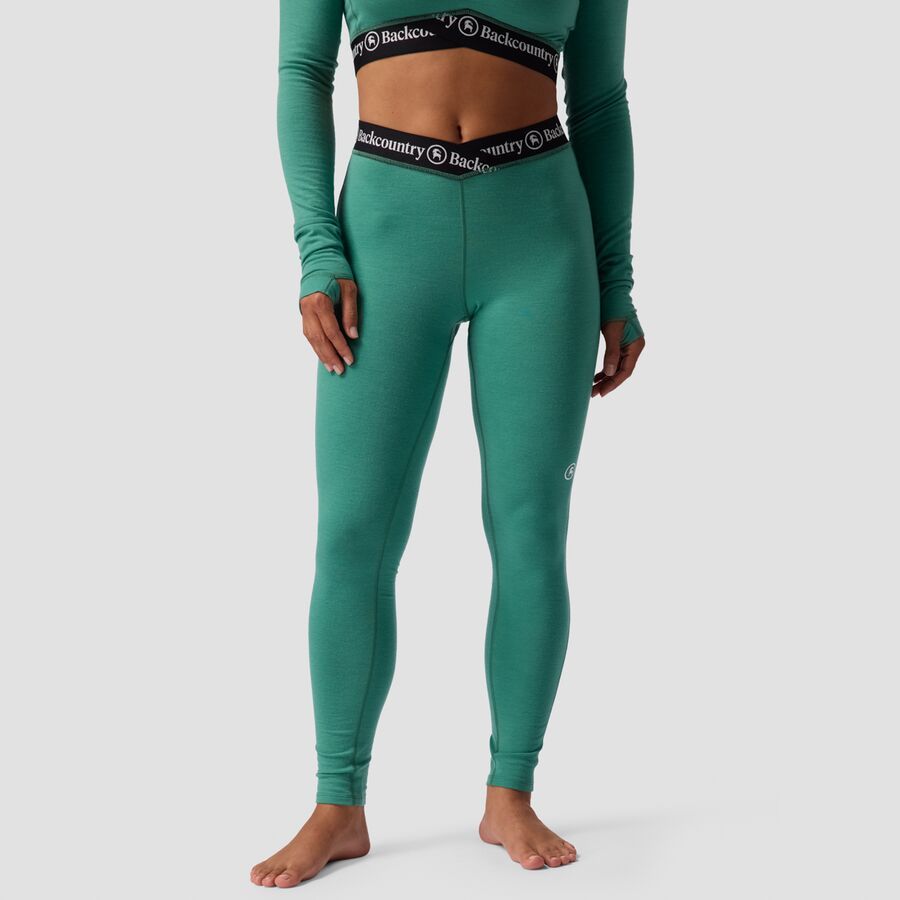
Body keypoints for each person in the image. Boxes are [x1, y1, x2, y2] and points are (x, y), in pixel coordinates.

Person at [251, 0, 645, 888]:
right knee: (353, 532)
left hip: (540, 237)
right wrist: (318, 248)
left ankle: (511, 791)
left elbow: (602, 102)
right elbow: (303, 72)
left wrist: (616, 278)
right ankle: (337, 803)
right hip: (386, 235)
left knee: (530, 528)